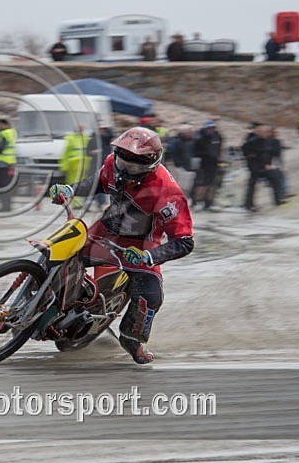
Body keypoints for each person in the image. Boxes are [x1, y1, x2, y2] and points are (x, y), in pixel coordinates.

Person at [48, 127, 194, 364]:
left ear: (150, 166)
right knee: (60, 250)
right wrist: (70, 189)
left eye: (132, 168)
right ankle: (40, 296)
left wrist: (149, 257)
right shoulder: (113, 162)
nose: (124, 170)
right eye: (121, 162)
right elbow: (97, 182)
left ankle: (131, 339)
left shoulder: (167, 193)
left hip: (138, 248)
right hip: (103, 232)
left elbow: (185, 242)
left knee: (152, 295)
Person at [241, 124, 284, 211]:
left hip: (265, 167)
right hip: (255, 167)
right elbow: (244, 149)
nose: (265, 133)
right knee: (252, 186)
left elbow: (271, 153)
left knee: (276, 181)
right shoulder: (253, 141)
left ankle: (278, 200)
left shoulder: (268, 141)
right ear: (258, 132)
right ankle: (248, 204)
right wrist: (250, 157)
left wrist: (271, 164)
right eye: (262, 132)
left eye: (266, 132)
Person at [192, 120, 222, 210]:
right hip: (203, 164)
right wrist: (207, 154)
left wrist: (218, 158)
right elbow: (195, 152)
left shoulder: (217, 137)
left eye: (213, 128)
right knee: (201, 185)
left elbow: (219, 149)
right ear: (206, 128)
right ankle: (197, 201)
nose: (211, 130)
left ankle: (209, 202)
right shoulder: (200, 138)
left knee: (212, 184)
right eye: (209, 128)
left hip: (214, 164)